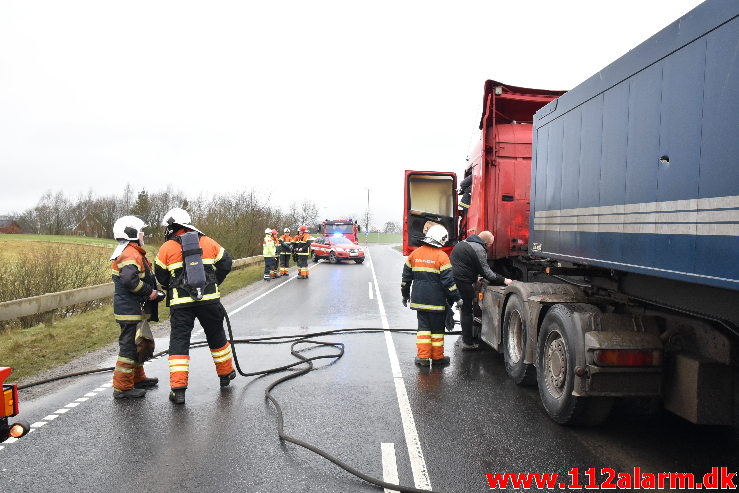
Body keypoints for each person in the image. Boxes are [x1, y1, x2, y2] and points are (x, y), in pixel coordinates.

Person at [155, 208, 235, 405]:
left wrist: (174, 286)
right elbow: (226, 263)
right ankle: (225, 375)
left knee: (179, 343)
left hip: (181, 305)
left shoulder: (166, 248)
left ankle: (178, 390)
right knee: (216, 336)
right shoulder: (208, 242)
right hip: (209, 301)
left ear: (173, 226)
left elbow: (160, 275)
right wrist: (214, 282)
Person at [110, 216, 161, 399]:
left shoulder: (130, 251)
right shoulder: (130, 253)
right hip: (129, 310)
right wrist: (150, 292)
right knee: (129, 349)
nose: (143, 234)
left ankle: (137, 379)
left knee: (138, 344)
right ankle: (122, 388)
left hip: (132, 309)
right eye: (140, 231)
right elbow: (130, 280)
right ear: (131, 233)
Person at [401, 224, 462, 367]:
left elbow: (405, 279)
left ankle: (422, 358)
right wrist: (457, 298)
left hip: (419, 300)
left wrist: (405, 295)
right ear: (441, 239)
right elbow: (449, 282)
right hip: (436, 301)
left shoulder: (414, 254)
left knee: (423, 329)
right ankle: (437, 358)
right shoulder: (442, 256)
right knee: (437, 331)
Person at [450, 231, 512, 350]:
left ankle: (465, 337)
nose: (489, 247)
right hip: (463, 281)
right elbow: (487, 272)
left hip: (454, 278)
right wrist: (504, 280)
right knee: (468, 310)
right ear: (485, 242)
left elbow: (467, 263)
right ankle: (468, 343)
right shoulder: (479, 249)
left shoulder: (464, 242)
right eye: (489, 245)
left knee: (463, 308)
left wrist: (475, 276)